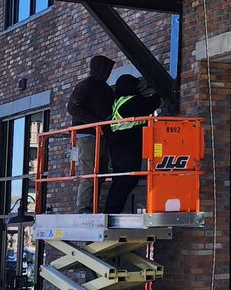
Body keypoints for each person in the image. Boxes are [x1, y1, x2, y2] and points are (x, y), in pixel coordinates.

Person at [104, 74, 162, 214]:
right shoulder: (130, 102)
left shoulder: (118, 102)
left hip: (119, 149)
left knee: (120, 181)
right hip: (128, 149)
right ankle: (112, 211)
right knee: (127, 180)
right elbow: (149, 104)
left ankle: (111, 210)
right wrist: (158, 93)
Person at [67, 55, 114, 212]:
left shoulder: (106, 89)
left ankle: (93, 206)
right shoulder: (85, 86)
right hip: (87, 135)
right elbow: (72, 108)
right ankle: (84, 207)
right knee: (90, 172)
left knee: (100, 173)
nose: (107, 73)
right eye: (105, 70)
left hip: (102, 135)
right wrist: (94, 122)